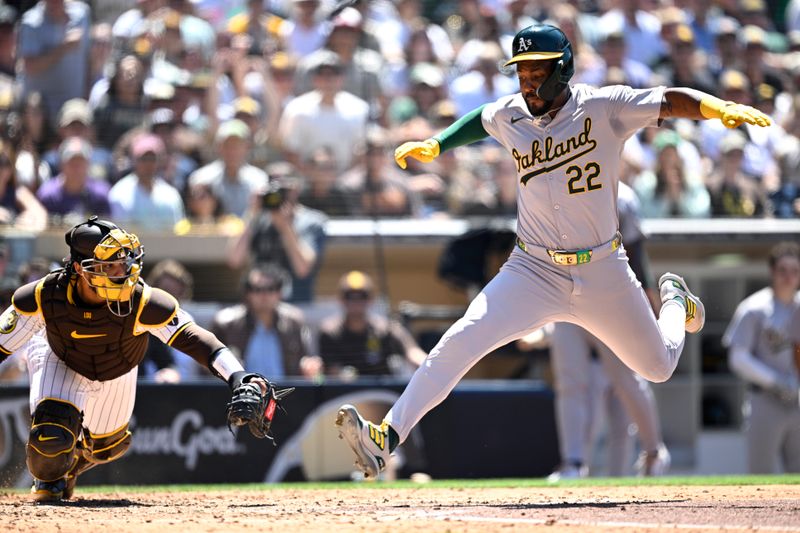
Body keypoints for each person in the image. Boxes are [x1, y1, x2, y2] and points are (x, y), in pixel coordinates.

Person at [335, 23, 771, 478]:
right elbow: (483, 116)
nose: (526, 81)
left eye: (536, 70)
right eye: (521, 70)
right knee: (461, 339)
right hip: (533, 267)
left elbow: (667, 98)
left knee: (658, 367)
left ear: (562, 68)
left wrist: (716, 107)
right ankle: (387, 436)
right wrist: (438, 143)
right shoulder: (512, 113)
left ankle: (675, 302)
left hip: (602, 266)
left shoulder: (604, 107)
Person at [0, 216, 286, 501]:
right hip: (61, 358)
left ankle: (72, 463)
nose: (121, 272)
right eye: (108, 265)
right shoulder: (44, 296)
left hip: (117, 368)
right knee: (50, 440)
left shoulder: (144, 301)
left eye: (123, 263)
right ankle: (50, 477)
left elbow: (196, 339)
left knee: (107, 448)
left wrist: (239, 376)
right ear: (79, 268)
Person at [545, 182, 669, 481]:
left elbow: (637, 253)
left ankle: (654, 452)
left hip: (610, 297)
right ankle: (573, 462)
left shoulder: (622, 194)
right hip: (564, 293)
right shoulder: (549, 184)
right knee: (570, 381)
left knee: (626, 379)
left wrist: (649, 302)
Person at [723, 242, 800, 474]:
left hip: (797, 402)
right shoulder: (754, 308)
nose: (788, 277)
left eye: (794, 271)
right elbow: (738, 358)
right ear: (772, 272)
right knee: (760, 475)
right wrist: (775, 381)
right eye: (783, 270)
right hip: (765, 399)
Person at [211, 263, 321, 380]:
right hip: (243, 394)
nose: (264, 295)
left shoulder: (294, 322)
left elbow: (307, 360)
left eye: (270, 289)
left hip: (285, 393)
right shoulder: (226, 324)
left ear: (280, 292)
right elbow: (206, 367)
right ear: (247, 293)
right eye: (257, 289)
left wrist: (309, 366)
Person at [228, 178, 327, 304]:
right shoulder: (258, 218)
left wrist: (285, 227)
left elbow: (303, 268)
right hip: (259, 304)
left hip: (296, 303)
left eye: (282, 188)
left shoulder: (311, 221)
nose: (277, 193)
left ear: (295, 190)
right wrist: (252, 212)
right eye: (272, 186)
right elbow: (234, 260)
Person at [319, 271, 426, 378]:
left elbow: (413, 353)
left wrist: (428, 367)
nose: (356, 301)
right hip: (345, 393)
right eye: (349, 296)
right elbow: (332, 372)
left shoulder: (386, 329)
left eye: (362, 295)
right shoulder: (330, 332)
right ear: (341, 299)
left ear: (371, 299)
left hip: (383, 392)